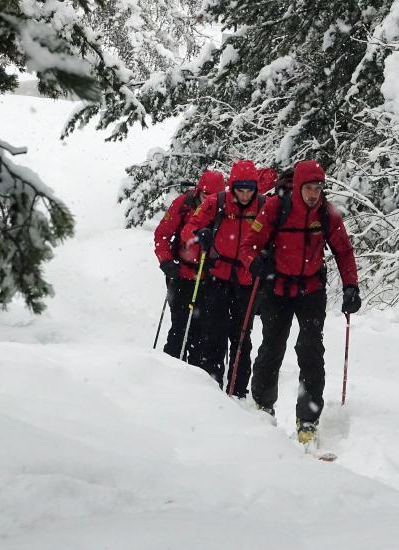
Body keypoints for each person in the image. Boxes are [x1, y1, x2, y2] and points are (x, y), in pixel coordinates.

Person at [238, 160, 361, 444]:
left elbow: (343, 251)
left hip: (311, 291)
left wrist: (351, 286)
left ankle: (308, 420)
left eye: (318, 188)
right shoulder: (274, 208)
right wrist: (255, 263)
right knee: (272, 347)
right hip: (277, 289)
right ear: (297, 187)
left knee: (310, 351)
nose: (313, 194)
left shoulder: (327, 214)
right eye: (308, 188)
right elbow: (249, 245)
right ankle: (263, 407)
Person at [181, 160, 265, 396]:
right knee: (213, 332)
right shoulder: (216, 203)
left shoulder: (263, 207)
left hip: (247, 280)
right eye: (241, 189)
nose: (245, 195)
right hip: (217, 277)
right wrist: (200, 233)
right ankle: (211, 389)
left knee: (241, 338)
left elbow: (274, 235)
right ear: (232, 187)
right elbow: (190, 227)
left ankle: (237, 391)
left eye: (250, 190)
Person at [153, 170, 226, 364]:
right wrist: (166, 261)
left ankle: (196, 377)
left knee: (202, 330)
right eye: (204, 196)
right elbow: (162, 234)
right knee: (180, 324)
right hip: (180, 273)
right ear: (198, 191)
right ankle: (170, 368)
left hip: (209, 277)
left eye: (212, 197)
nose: (207, 202)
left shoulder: (222, 209)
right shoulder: (183, 204)